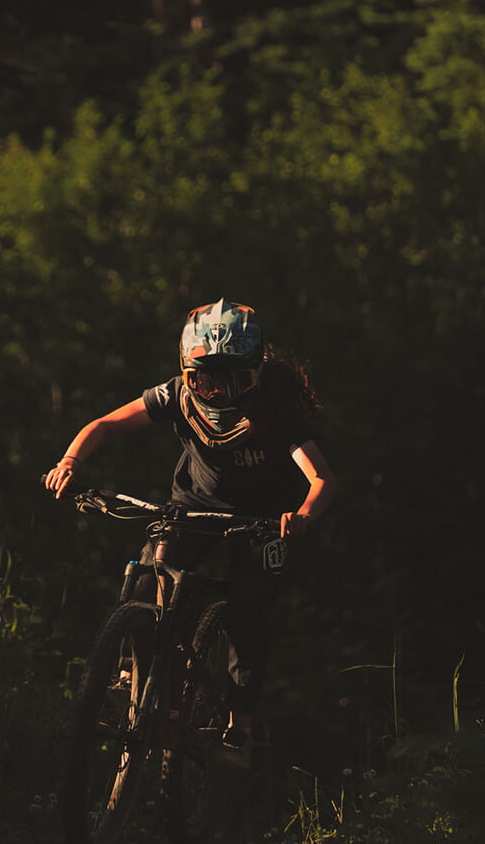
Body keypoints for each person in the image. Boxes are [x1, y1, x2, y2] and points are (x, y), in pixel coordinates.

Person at [42, 298, 335, 765]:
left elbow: (321, 478)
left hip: (261, 519)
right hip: (193, 506)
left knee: (249, 613)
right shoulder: (176, 395)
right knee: (148, 573)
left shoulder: (276, 411)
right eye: (203, 379)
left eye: (232, 379)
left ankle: (239, 727)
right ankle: (127, 679)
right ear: (186, 370)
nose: (216, 392)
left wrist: (301, 515)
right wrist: (70, 461)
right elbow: (105, 424)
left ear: (255, 374)